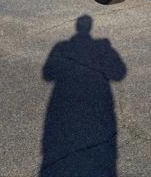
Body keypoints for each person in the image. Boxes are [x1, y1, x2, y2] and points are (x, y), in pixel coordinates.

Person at [40, 15, 126, 177]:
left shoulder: (60, 46)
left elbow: (47, 75)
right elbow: (120, 73)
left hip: (60, 102)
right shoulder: (104, 46)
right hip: (101, 104)